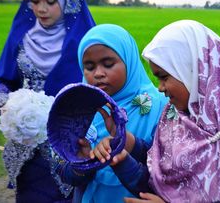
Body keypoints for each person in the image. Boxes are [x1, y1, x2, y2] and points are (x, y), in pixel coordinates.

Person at [94, 20, 220, 202]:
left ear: (193, 71)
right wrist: (126, 150)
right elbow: (162, 175)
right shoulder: (177, 117)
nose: (160, 88)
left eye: (164, 77)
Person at [0, 0, 96, 202]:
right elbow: (1, 80)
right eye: (35, 0)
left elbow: (99, 86)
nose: (41, 8)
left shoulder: (84, 40)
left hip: (69, 143)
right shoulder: (22, 37)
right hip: (27, 139)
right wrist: (9, 106)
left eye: (50, 0)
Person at [57, 24, 167, 203]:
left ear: (128, 61)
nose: (99, 73)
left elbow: (167, 173)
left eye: (108, 64)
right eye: (89, 67)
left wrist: (128, 144)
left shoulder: (159, 106)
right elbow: (64, 172)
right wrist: (82, 164)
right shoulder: (77, 109)